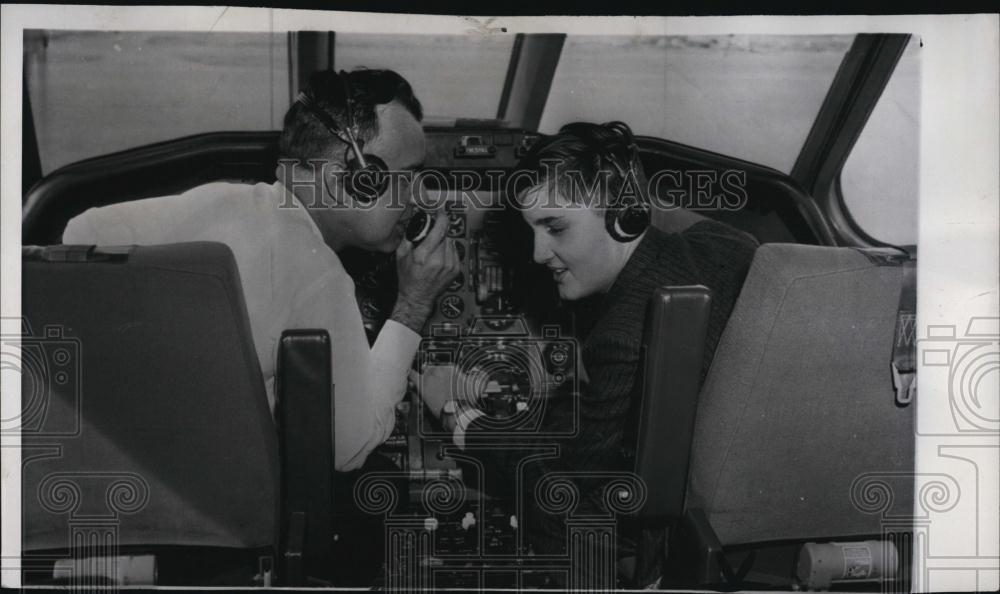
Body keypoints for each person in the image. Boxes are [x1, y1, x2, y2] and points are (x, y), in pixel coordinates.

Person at [63, 68, 460, 473]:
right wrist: (413, 304)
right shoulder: (319, 277)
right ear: (352, 179)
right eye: (408, 176)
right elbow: (349, 450)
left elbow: (79, 232)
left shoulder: (219, 198)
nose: (421, 197)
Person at [418, 121, 758, 586]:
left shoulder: (625, 334)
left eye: (556, 227)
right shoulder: (725, 244)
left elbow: (559, 483)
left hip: (645, 533)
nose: (539, 254)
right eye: (532, 228)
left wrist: (457, 415)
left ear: (624, 215)